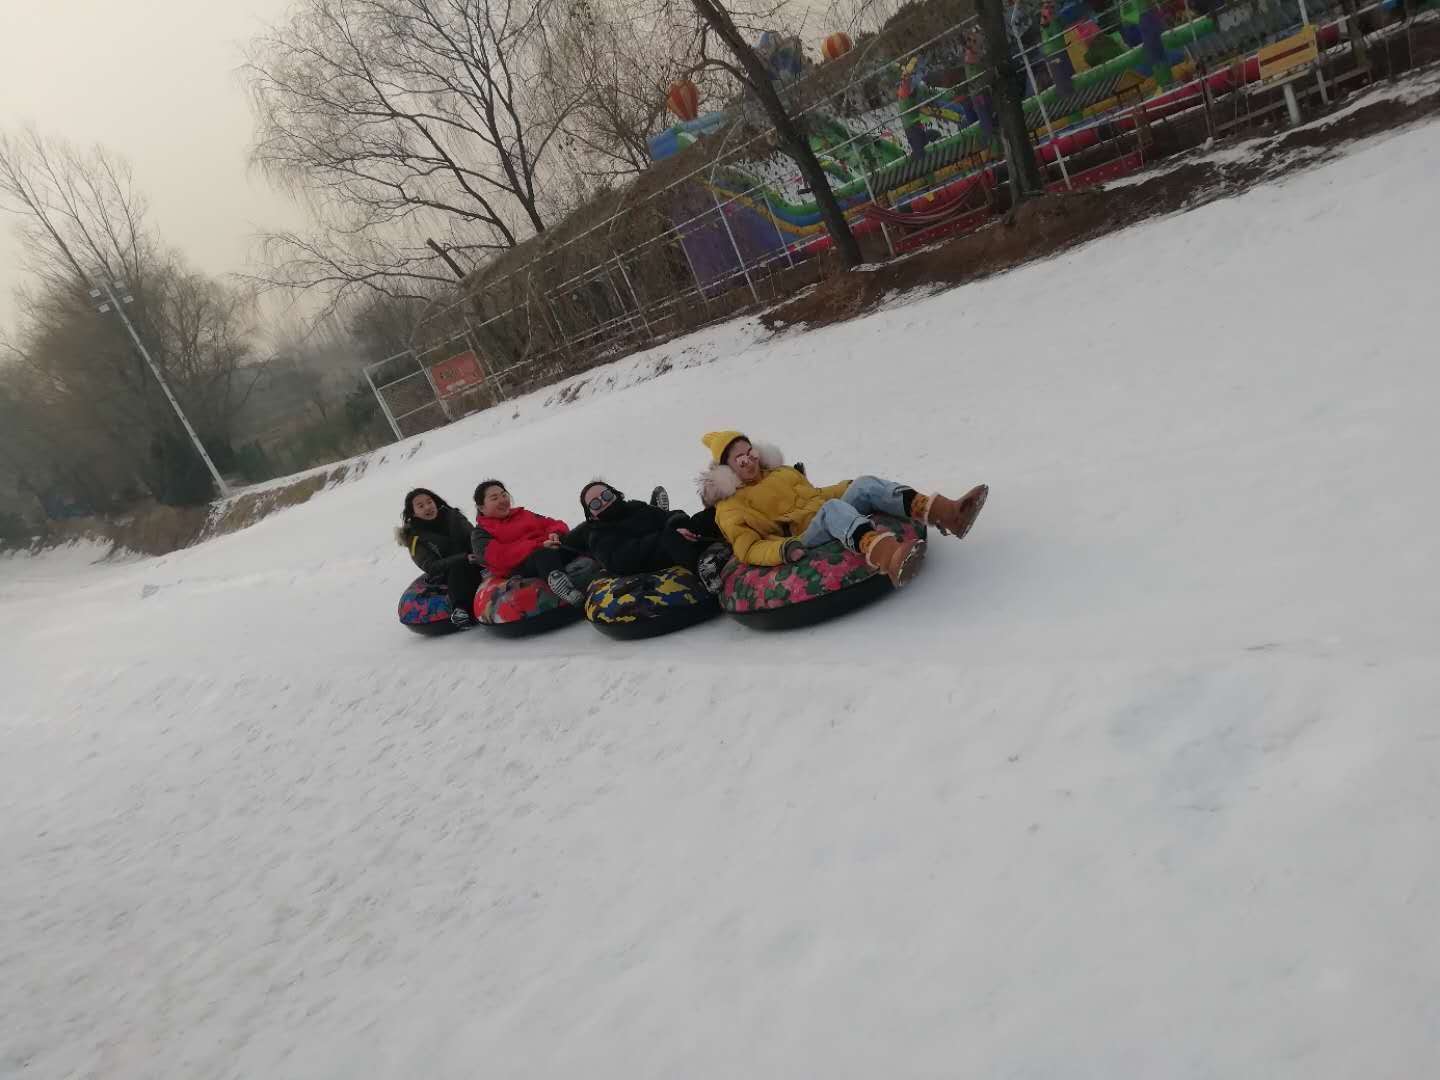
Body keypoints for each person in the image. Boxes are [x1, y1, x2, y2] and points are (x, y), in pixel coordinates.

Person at [697, 431, 987, 588]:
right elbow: (748, 548)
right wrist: (783, 550)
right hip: (799, 538)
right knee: (833, 509)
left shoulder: (780, 473)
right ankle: (888, 556)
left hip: (825, 514)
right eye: (739, 459)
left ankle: (949, 514)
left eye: (750, 452)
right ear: (727, 469)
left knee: (864, 484)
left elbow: (816, 495)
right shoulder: (731, 507)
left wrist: (850, 487)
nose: (748, 461)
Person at [566, 480, 729, 584]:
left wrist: (678, 525)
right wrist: (666, 536)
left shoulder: (636, 508)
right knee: (671, 538)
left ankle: (735, 532)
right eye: (595, 504)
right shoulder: (598, 535)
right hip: (647, 562)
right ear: (591, 514)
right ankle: (704, 574)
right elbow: (621, 559)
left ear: (614, 493)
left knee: (703, 518)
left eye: (606, 495)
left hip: (672, 541)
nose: (603, 502)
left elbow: (668, 516)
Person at [469, 479, 587, 606]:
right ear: (481, 507)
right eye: (495, 498)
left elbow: (553, 523)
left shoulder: (523, 514)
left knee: (585, 528)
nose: (502, 500)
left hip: (549, 548)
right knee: (543, 554)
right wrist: (538, 545)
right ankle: (566, 590)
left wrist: (555, 534)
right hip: (523, 565)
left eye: (504, 495)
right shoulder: (480, 533)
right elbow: (499, 556)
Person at [397, 488, 486, 629]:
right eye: (421, 506)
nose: (427, 507)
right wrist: (463, 558)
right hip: (449, 572)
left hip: (475, 559)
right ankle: (461, 609)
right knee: (459, 566)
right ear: (413, 513)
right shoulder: (415, 537)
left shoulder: (453, 517)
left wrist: (478, 552)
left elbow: (472, 536)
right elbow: (430, 566)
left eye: (429, 502)